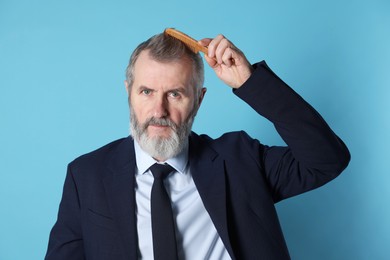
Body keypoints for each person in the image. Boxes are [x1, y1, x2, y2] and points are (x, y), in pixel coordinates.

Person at [45, 31, 350, 260]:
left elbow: (326, 159)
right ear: (129, 93)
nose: (159, 111)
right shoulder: (86, 175)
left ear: (199, 99)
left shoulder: (240, 159)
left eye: (175, 94)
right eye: (147, 92)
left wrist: (250, 82)